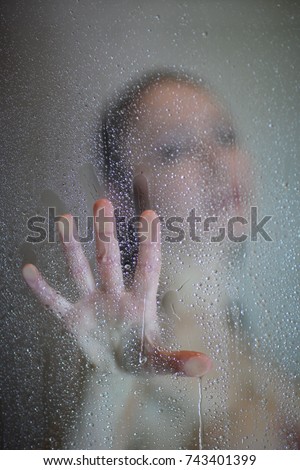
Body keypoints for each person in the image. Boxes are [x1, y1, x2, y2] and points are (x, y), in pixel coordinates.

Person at [22, 70, 299, 449]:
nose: (217, 161)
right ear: (121, 197)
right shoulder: (121, 354)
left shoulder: (255, 351)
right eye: (175, 149)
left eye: (226, 136)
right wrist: (110, 382)